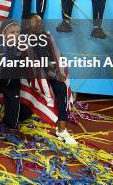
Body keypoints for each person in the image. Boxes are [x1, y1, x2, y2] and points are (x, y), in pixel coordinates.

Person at [24, 14, 77, 145]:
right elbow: (36, 65)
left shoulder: (47, 37)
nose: (39, 24)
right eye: (35, 23)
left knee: (62, 87)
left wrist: (59, 71)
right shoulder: (25, 41)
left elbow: (56, 56)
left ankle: (61, 128)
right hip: (35, 75)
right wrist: (54, 75)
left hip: (49, 72)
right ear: (28, 25)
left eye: (40, 22)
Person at [0, 19, 30, 131]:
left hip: (11, 82)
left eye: (17, 32)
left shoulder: (23, 49)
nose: (15, 35)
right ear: (3, 33)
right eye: (11, 32)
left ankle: (9, 121)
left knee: (13, 123)